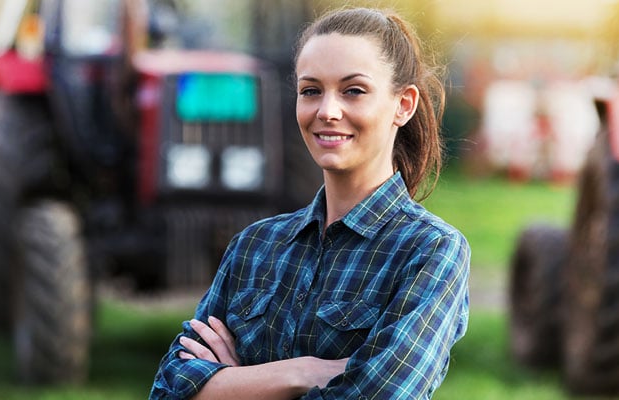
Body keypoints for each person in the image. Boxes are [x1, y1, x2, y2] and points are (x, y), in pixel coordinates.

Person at [150, 7, 469, 399]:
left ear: (403, 104)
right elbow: (168, 389)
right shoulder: (254, 246)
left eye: (353, 90)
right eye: (311, 90)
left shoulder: (430, 251)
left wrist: (232, 385)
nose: (327, 111)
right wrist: (300, 373)